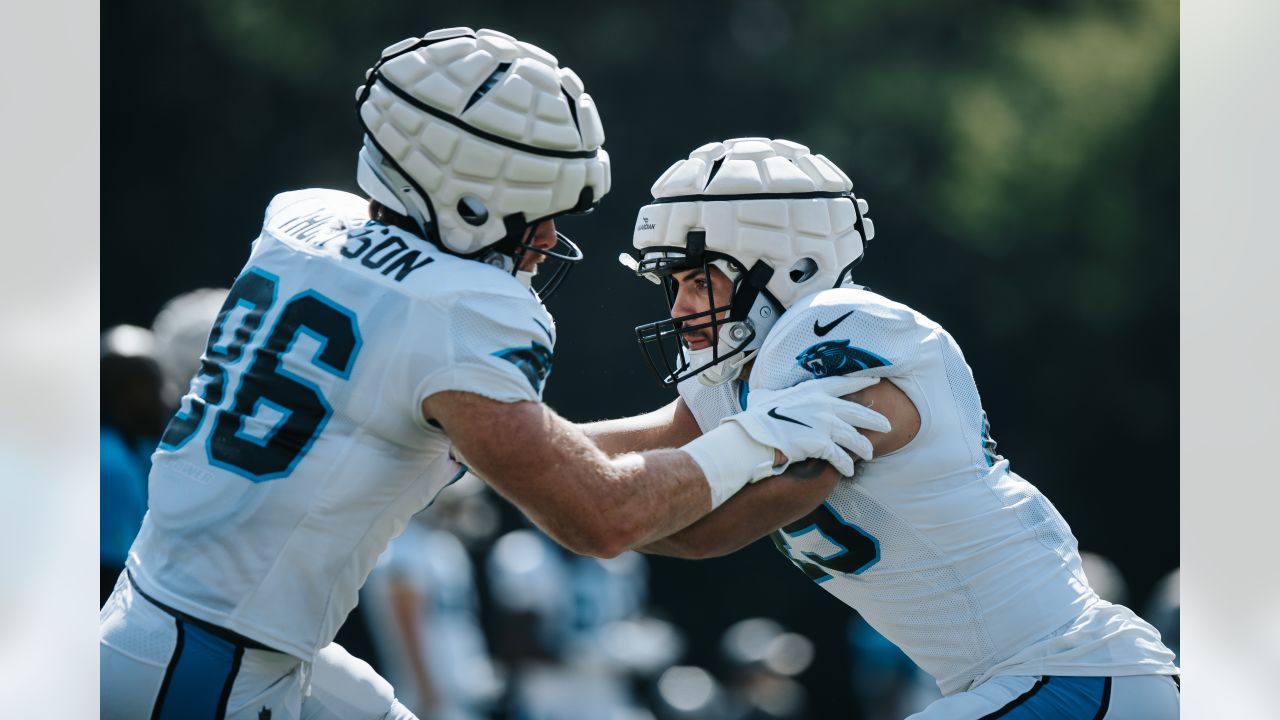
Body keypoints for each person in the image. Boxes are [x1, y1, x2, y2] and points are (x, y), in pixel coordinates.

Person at [99, 30, 888, 720]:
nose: (546, 236)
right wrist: (758, 443)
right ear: (467, 196)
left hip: (183, 623)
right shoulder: (463, 309)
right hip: (213, 667)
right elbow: (600, 517)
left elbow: (544, 451)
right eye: (536, 206)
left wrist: (718, 426)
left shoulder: (302, 220)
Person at [594, 137, 1181, 718]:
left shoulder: (829, 332)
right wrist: (509, 456)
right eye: (673, 285)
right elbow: (598, 456)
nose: (677, 308)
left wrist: (578, 507)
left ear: (788, 268)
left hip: (1074, 672)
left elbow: (707, 530)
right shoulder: (743, 378)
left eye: (699, 281)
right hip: (1029, 683)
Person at [100, 325, 169, 605]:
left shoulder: (129, 450)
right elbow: (107, 577)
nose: (165, 398)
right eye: (156, 385)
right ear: (131, 392)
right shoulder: (110, 467)